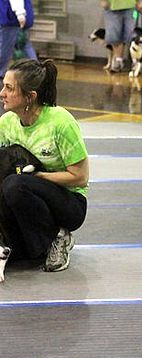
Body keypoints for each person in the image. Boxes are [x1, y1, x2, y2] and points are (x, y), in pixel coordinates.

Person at [0, 59, 89, 272]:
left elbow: (80, 177)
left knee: (15, 184)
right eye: (3, 85)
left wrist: (37, 177)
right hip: (26, 196)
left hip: (68, 202)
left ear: (30, 97)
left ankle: (59, 236)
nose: (2, 92)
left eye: (9, 88)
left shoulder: (60, 123)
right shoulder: (7, 123)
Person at [101, 0, 142, 73]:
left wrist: (141, 1)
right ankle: (118, 59)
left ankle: (134, 61)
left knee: (132, 34)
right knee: (113, 35)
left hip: (132, 7)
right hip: (112, 7)